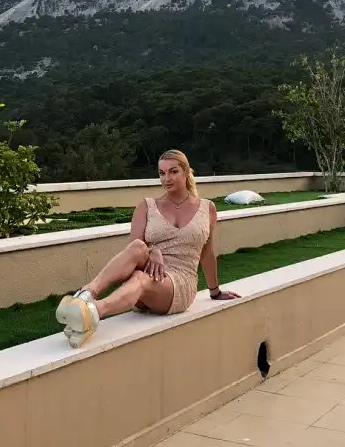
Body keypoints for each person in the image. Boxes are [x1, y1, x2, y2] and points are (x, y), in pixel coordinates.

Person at [56, 149, 240, 347]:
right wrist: (153, 251)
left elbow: (207, 253)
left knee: (140, 278)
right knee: (137, 247)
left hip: (179, 283)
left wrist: (215, 291)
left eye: (173, 172)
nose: (166, 179)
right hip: (150, 271)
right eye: (162, 173)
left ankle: (92, 313)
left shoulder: (207, 208)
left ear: (186, 172)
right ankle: (86, 294)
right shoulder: (147, 206)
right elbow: (133, 250)